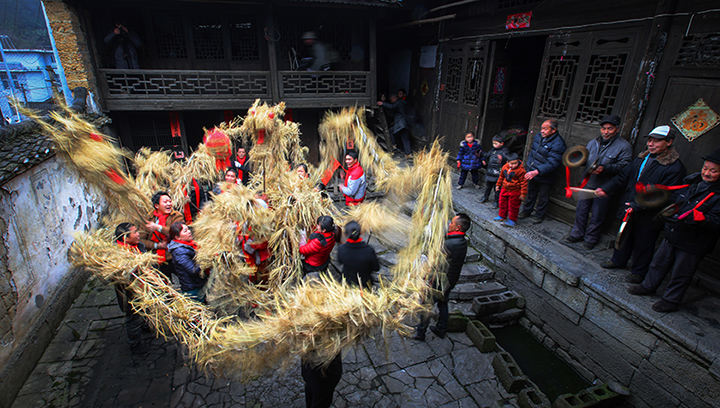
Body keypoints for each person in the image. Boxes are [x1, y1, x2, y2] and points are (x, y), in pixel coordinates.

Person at [627, 149, 720, 312]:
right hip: (675, 231)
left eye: (713, 171)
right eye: (705, 168)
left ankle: (671, 299)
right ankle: (648, 285)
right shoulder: (692, 182)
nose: (707, 173)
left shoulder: (717, 194)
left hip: (694, 241)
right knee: (659, 262)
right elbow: (674, 199)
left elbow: (716, 221)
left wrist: (702, 219)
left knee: (681, 271)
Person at [596, 125, 686, 283]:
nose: (651, 144)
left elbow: (665, 196)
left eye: (656, 141)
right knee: (624, 234)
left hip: (649, 213)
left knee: (644, 242)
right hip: (630, 206)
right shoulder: (641, 159)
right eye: (650, 140)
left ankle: (638, 271)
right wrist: (606, 188)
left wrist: (638, 205)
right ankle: (618, 260)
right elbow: (623, 177)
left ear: (669, 142)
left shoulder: (674, 168)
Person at [564, 115, 633, 249]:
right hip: (588, 183)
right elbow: (586, 159)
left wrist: (605, 169)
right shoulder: (592, 143)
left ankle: (591, 238)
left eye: (610, 129)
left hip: (604, 186)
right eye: (603, 128)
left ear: (617, 129)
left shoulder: (624, 147)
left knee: (597, 214)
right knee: (581, 211)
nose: (606, 132)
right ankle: (577, 233)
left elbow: (624, 168)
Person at [414, 213, 470, 341]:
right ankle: (441, 328)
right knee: (443, 303)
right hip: (451, 279)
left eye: (452, 223)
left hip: (439, 280)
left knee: (427, 305)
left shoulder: (449, 244)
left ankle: (420, 333)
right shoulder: (462, 242)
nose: (449, 224)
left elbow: (434, 262)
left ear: (458, 227)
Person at [519, 119, 567, 224]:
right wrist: (529, 166)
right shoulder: (538, 136)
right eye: (542, 128)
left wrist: (538, 171)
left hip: (545, 174)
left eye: (545, 129)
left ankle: (539, 215)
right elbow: (533, 153)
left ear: (553, 130)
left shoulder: (558, 144)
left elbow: (553, 163)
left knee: (543, 197)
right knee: (531, 192)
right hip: (533, 170)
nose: (542, 131)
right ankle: (526, 211)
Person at [114, 222, 149, 356]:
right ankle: (135, 344)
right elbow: (116, 278)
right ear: (125, 238)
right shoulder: (117, 256)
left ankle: (145, 326)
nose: (138, 234)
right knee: (133, 319)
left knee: (146, 310)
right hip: (130, 294)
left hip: (144, 287)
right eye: (135, 232)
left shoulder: (139, 246)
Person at [141, 191, 184, 279]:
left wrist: (157, 227)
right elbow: (141, 239)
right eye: (165, 202)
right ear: (157, 206)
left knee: (185, 279)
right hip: (156, 259)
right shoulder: (148, 219)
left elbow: (175, 231)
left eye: (170, 201)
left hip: (174, 256)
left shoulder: (177, 216)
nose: (169, 204)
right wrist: (157, 245)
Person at [167, 222, 208, 303]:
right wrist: (206, 260)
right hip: (193, 288)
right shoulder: (179, 252)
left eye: (188, 229)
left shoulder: (190, 244)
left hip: (198, 284)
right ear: (177, 237)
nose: (189, 231)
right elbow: (193, 270)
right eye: (185, 231)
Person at [336, 221, 380, 289]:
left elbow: (340, 261)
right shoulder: (369, 250)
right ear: (361, 233)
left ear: (345, 234)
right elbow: (376, 268)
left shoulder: (341, 249)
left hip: (347, 283)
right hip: (364, 283)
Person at [494, 153, 527, 227]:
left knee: (513, 206)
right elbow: (501, 177)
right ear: (507, 162)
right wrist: (498, 185)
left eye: (516, 163)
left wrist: (523, 194)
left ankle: (512, 219)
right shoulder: (504, 167)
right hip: (505, 188)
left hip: (515, 191)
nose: (514, 165)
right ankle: (502, 215)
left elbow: (524, 183)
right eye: (512, 164)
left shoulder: (521, 171)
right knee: (502, 203)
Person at [481, 134, 509, 208]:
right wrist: (481, 153)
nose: (494, 145)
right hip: (490, 171)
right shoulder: (493, 150)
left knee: (497, 189)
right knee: (488, 187)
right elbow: (487, 155)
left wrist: (502, 159)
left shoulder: (504, 151)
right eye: (493, 143)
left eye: (496, 143)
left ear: (501, 143)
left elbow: (507, 160)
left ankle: (496, 202)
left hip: (498, 173)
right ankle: (485, 197)